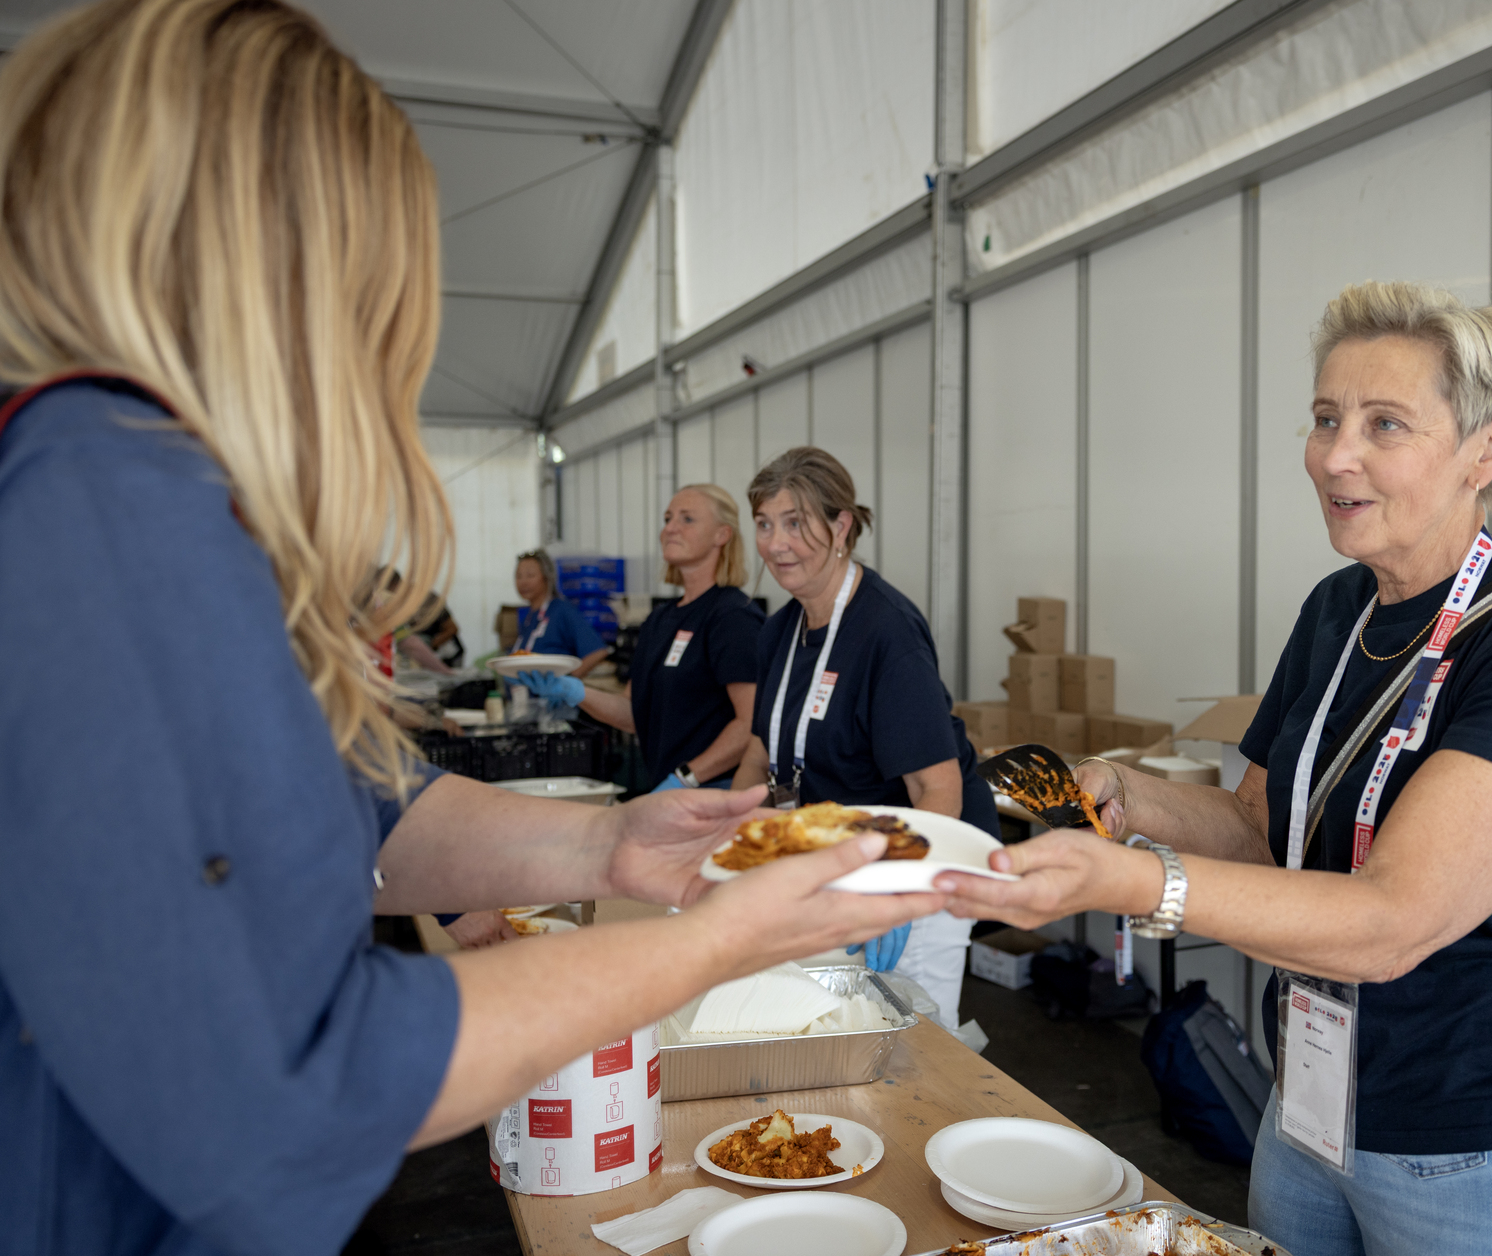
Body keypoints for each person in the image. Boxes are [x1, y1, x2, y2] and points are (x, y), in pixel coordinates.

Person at [0, 5, 941, 1252]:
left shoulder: (119, 492)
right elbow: (288, 1090)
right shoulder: (110, 509)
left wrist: (608, 846)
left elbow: (360, 810)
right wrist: (710, 943)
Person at [940, 282, 1492, 1256]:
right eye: (1323, 417)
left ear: (1488, 448)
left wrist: (1140, 881)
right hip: (1308, 1106)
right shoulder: (1336, 609)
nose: (1334, 455)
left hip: (1479, 1139)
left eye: (1383, 423)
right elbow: (1269, 826)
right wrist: (1137, 799)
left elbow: (1394, 920)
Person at [732, 447, 994, 1025]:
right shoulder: (779, 631)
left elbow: (938, 786)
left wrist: (898, 892)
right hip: (831, 864)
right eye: (765, 524)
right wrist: (731, 834)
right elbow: (759, 750)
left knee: (917, 1050)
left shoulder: (886, 631)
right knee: (832, 1033)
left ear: (842, 525)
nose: (776, 544)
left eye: (796, 523)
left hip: (916, 871)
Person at [522, 485, 763, 792]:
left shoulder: (732, 616)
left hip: (719, 794)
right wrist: (576, 691)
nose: (670, 529)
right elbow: (635, 715)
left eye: (687, 519)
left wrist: (687, 777)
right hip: (671, 794)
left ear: (722, 535)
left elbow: (752, 724)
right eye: (667, 519)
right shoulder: (659, 620)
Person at [510, 548, 610, 678]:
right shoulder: (529, 617)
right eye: (519, 576)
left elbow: (598, 651)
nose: (523, 582)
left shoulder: (561, 610)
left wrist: (568, 682)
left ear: (547, 577)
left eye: (530, 575)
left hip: (554, 697)